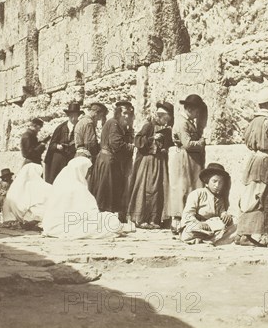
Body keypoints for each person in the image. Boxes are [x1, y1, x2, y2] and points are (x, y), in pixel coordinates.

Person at [235, 90, 268, 247]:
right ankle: (250, 234)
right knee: (260, 196)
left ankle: (246, 233)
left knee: (252, 195)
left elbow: (246, 139)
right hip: (266, 161)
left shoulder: (253, 121)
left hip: (255, 159)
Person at [42, 157, 124, 240]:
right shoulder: (78, 187)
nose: (89, 173)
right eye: (88, 170)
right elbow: (90, 212)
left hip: (52, 224)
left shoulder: (61, 182)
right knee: (111, 220)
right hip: (71, 223)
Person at [127, 101, 174, 229]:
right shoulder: (148, 126)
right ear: (160, 116)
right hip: (148, 162)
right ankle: (141, 218)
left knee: (157, 190)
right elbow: (138, 141)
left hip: (159, 161)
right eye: (165, 119)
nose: (166, 122)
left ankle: (154, 219)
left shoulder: (166, 129)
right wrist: (152, 138)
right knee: (145, 189)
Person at [165, 94, 208, 234]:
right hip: (184, 158)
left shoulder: (187, 121)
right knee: (182, 188)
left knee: (188, 187)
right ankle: (177, 222)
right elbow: (188, 144)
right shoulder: (182, 123)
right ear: (189, 109)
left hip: (189, 159)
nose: (197, 114)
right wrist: (201, 143)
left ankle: (185, 221)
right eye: (196, 111)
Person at [89, 101, 134, 221]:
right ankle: (104, 218)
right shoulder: (114, 123)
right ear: (118, 112)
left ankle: (103, 217)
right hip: (108, 161)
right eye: (124, 113)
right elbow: (116, 144)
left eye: (129, 113)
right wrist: (131, 146)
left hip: (106, 159)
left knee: (105, 190)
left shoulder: (117, 124)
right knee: (106, 191)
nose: (126, 116)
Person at [179, 163, 235, 245]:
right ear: (206, 181)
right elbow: (188, 214)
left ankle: (207, 239)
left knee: (234, 224)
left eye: (221, 182)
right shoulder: (197, 193)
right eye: (214, 181)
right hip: (197, 225)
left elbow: (221, 212)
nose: (217, 185)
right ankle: (210, 238)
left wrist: (224, 215)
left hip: (211, 226)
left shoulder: (219, 198)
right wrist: (199, 223)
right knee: (190, 230)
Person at [2, 163, 55, 230]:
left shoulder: (14, 187)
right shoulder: (38, 185)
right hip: (33, 214)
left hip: (16, 217)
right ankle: (35, 221)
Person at [43, 102, 83, 183]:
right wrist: (57, 146)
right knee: (56, 180)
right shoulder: (61, 128)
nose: (74, 118)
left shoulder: (79, 127)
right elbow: (52, 144)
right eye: (72, 116)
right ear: (68, 116)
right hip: (59, 158)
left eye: (76, 116)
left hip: (71, 159)